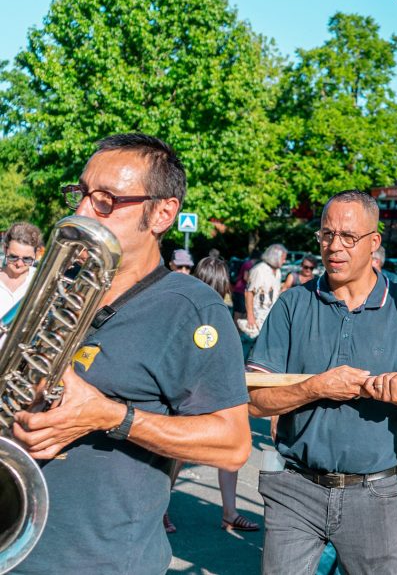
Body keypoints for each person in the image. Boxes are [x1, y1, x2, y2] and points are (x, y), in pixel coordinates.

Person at [11, 133, 251, 574]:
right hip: (15, 548)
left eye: (105, 201)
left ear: (162, 212)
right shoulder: (58, 290)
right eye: (80, 194)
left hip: (106, 563)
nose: (82, 211)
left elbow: (233, 444)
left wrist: (111, 416)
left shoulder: (194, 309)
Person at [246, 190, 397, 575]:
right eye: (326, 235)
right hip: (294, 487)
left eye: (348, 237)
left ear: (374, 243)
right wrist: (315, 387)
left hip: (375, 491)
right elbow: (254, 401)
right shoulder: (293, 304)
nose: (335, 246)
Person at [165, 254, 260, 534]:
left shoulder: (220, 311)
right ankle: (160, 510)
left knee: (229, 451)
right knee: (177, 454)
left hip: (215, 391)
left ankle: (230, 513)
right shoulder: (184, 310)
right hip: (188, 393)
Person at [242, 242, 287, 337]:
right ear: (275, 257)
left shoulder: (278, 271)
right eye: (283, 258)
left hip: (270, 315)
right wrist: (250, 317)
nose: (285, 261)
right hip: (257, 316)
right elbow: (249, 293)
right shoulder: (259, 270)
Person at [0, 221, 43, 319]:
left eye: (27, 259)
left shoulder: (41, 280)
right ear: (5, 249)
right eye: (13, 257)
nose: (19, 264)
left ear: (36, 254)